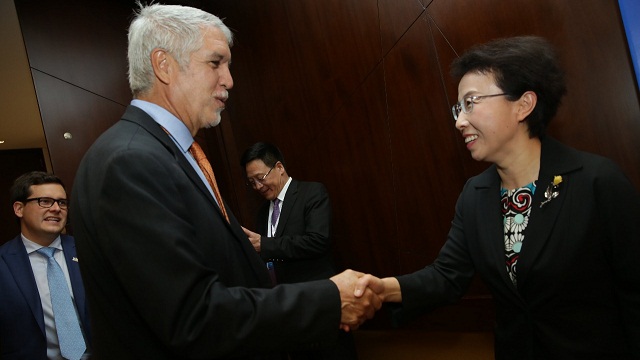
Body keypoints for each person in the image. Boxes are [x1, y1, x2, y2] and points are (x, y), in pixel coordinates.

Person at [71, 4, 379, 359]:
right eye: (215, 63)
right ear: (164, 65)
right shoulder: (130, 161)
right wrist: (328, 298)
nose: (229, 80)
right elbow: (192, 316)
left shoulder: (169, 154)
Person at [355, 36, 640, 359]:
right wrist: (382, 288)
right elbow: (447, 276)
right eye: (458, 108)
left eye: (471, 102)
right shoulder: (475, 196)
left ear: (523, 105)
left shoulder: (596, 181)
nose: (460, 121)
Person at [241, 142, 358, 360]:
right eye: (251, 182)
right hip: (287, 309)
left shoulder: (311, 193)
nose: (258, 186)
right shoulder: (262, 213)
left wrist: (264, 245)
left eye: (261, 177)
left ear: (279, 167)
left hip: (319, 303)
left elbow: (318, 241)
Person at [0, 171, 90, 359]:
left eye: (62, 202)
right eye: (45, 201)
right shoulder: (3, 263)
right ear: (19, 209)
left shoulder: (89, 251)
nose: (56, 208)